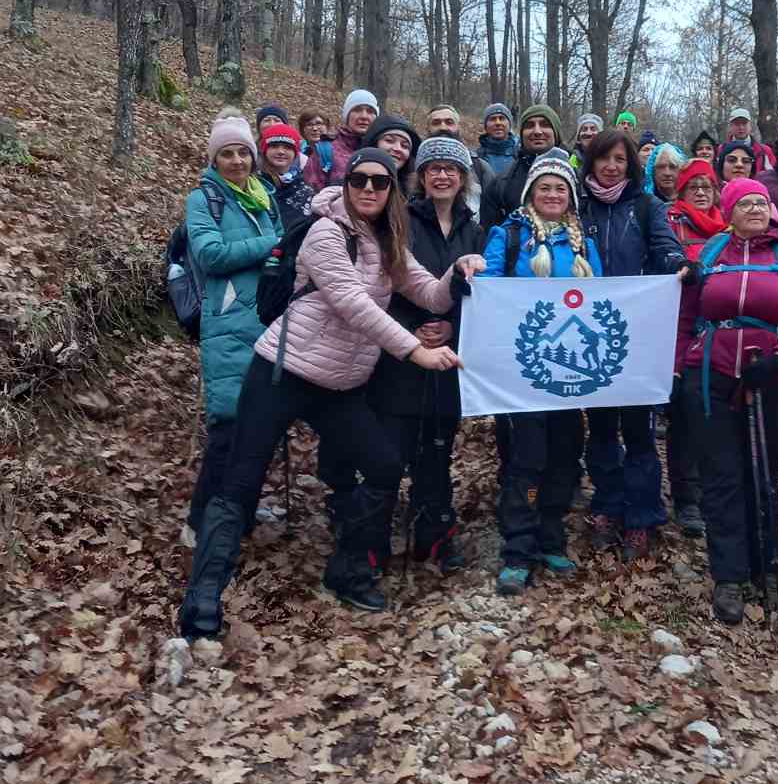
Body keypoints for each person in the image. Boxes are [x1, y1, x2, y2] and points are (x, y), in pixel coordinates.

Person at [177, 149, 482, 636]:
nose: (368, 189)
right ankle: (203, 600)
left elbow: (428, 293)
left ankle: (348, 571)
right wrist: (414, 351)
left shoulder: (389, 240)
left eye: (380, 183)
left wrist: (458, 269)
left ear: (392, 192)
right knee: (241, 480)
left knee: (383, 466)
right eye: (358, 179)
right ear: (345, 185)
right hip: (283, 373)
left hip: (339, 385)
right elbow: (351, 303)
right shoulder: (324, 232)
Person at [676, 177, 778, 623]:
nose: (757, 208)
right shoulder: (709, 255)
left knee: (762, 472)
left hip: (770, 380)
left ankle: (765, 561)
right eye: (746, 203)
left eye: (763, 202)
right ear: (729, 211)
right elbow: (685, 316)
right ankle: (729, 575)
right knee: (721, 476)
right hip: (711, 377)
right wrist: (682, 365)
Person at [476, 150, 603, 595]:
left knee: (565, 453)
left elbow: (603, 299)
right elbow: (487, 286)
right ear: (531, 192)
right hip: (522, 369)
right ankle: (517, 548)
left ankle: (551, 536)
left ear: (570, 196)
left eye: (560, 188)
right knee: (526, 457)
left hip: (569, 373)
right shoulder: (508, 234)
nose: (552, 194)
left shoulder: (583, 242)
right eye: (544, 187)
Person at [369, 136, 485, 575]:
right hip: (400, 352)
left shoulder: (474, 229)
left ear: (462, 178)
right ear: (421, 175)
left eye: (450, 169)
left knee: (438, 449)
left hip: (450, 355)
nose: (442, 175)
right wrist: (408, 329)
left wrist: (454, 326)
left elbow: (482, 296)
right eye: (433, 167)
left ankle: (433, 536)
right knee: (391, 449)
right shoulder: (398, 220)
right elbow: (381, 283)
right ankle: (374, 542)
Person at [577, 129, 687, 560]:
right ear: (592, 162)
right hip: (589, 334)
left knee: (639, 430)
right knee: (602, 428)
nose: (611, 166)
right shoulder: (577, 206)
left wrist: (678, 264)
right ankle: (606, 504)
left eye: (620, 159)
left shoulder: (646, 206)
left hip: (636, 332)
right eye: (604, 158)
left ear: (630, 165)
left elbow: (664, 248)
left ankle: (642, 515)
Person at [182, 116, 282, 543]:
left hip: (266, 316)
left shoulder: (262, 195)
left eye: (243, 152)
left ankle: (237, 511)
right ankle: (198, 523)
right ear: (214, 158)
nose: (237, 160)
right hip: (227, 321)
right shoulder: (203, 199)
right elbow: (210, 254)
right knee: (227, 426)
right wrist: (273, 245)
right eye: (227, 153)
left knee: (257, 426)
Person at [662, 159, 725, 538]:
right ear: (681, 191)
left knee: (715, 419)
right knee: (683, 419)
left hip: (720, 336)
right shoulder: (670, 222)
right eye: (693, 186)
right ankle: (685, 497)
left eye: (707, 185)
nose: (701, 191)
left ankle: (712, 492)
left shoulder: (729, 227)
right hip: (679, 330)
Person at [480, 104, 564, 231]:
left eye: (544, 124)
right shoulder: (501, 184)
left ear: (556, 132)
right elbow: (489, 235)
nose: (537, 131)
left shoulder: (578, 180)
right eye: (529, 126)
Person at [305, 88, 380, 187]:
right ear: (347, 115)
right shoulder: (326, 150)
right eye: (357, 110)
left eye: (370, 111)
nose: (364, 116)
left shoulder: (383, 149)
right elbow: (311, 194)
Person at [257, 123, 317, 231]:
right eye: (274, 146)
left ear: (295, 153)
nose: (281, 151)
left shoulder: (306, 190)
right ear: (264, 151)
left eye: (288, 147)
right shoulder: (254, 186)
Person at [363, 112, 420, 195]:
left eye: (404, 146)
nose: (397, 149)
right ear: (374, 143)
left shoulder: (414, 194)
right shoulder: (352, 182)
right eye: (389, 140)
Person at [723, 107, 775, 172]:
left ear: (750, 125)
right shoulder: (721, 149)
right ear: (730, 126)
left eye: (744, 123)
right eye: (737, 124)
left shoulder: (765, 151)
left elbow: (774, 176)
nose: (741, 127)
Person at [476, 103, 517, 178]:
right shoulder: (476, 158)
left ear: (509, 124)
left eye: (502, 118)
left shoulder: (521, 154)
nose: (498, 123)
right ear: (485, 125)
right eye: (492, 119)